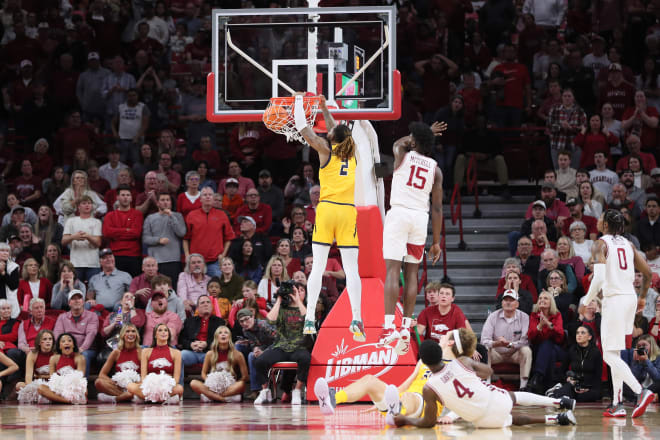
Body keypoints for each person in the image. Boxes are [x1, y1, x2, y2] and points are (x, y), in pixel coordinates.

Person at [392, 333, 576, 428]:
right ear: (440, 353)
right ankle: (561, 402)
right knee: (513, 396)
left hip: (483, 418)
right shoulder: (462, 361)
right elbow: (488, 370)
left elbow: (428, 422)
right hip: (494, 399)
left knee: (511, 420)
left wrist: (405, 420)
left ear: (423, 360)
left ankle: (556, 418)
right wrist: (473, 369)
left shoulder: (429, 388)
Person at [293, 94, 363, 341]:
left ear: (333, 138)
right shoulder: (351, 153)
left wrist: (299, 104)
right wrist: (323, 108)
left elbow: (303, 130)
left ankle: (310, 317)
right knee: (352, 269)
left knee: (318, 266)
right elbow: (337, 129)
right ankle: (357, 318)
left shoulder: (325, 150)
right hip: (347, 211)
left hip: (327, 209)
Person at [581, 209, 656, 417]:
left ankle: (641, 392)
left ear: (605, 225)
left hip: (614, 300)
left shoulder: (599, 244)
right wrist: (642, 297)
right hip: (630, 298)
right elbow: (649, 273)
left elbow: (598, 280)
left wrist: (585, 302)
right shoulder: (629, 244)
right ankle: (617, 404)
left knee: (608, 354)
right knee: (616, 353)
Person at [380, 122, 443, 354]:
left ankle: (389, 328)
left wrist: (423, 132)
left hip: (399, 213)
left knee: (392, 270)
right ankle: (406, 327)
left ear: (414, 142)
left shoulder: (401, 154)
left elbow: (401, 142)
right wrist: (436, 242)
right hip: (420, 218)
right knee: (413, 272)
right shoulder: (436, 169)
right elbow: (437, 208)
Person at [314, 356, 443, 420]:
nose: (441, 338)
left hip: (426, 405)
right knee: (369, 380)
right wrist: (389, 398)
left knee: (408, 396)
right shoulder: (423, 361)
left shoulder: (453, 366)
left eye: (444, 336)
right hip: (402, 401)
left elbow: (460, 396)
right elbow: (406, 384)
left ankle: (398, 412)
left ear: (450, 342)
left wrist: (451, 416)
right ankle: (331, 400)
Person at [253, 282, 310, 406]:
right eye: (295, 290)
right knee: (259, 361)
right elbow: (270, 320)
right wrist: (278, 299)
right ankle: (265, 391)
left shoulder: (307, 307)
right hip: (281, 347)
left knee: (305, 358)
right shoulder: (282, 307)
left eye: (300, 290)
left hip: (298, 347)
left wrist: (297, 301)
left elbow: (308, 320)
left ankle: (297, 391)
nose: (297, 292)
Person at [481, 290, 532, 390]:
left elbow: (525, 341)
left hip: (515, 353)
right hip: (497, 353)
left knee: (526, 350)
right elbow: (484, 340)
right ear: (502, 303)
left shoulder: (524, 317)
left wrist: (510, 344)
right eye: (505, 300)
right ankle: (486, 384)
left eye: (511, 300)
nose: (508, 302)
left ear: (517, 304)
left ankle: (523, 387)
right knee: (485, 349)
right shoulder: (493, 317)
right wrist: (496, 343)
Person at [184, 186, 235, 277]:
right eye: (205, 195)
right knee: (195, 289)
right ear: (200, 199)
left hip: (215, 261)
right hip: (195, 261)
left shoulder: (222, 215)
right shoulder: (191, 215)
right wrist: (187, 255)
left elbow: (229, 238)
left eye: (210, 195)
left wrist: (223, 255)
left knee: (216, 288)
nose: (208, 197)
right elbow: (185, 238)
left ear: (213, 198)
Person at [127, 323, 184, 404]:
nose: (163, 332)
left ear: (168, 334)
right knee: (130, 386)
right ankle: (163, 399)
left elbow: (176, 379)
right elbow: (143, 376)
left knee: (179, 388)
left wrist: (164, 385)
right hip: (150, 385)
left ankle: (147, 398)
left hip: (167, 387)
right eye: (160, 330)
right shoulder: (146, 351)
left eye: (165, 330)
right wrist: (151, 385)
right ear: (155, 335)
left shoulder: (176, 353)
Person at [190, 325, 248, 402]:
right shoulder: (210, 354)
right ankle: (224, 399)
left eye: (226, 332)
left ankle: (211, 397)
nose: (223, 334)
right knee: (193, 383)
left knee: (241, 385)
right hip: (213, 387)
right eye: (220, 333)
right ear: (216, 337)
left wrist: (233, 384)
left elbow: (245, 376)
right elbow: (203, 373)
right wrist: (210, 382)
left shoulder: (238, 354)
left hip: (229, 386)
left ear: (230, 337)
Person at [545, 325, 602, 402]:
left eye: (583, 333)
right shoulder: (572, 350)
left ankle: (558, 392)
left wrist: (588, 388)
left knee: (588, 396)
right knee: (571, 392)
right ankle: (556, 392)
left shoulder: (596, 352)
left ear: (589, 337)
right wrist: (567, 379)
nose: (579, 335)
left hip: (589, 387)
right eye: (577, 333)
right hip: (574, 385)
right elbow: (561, 371)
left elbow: (598, 376)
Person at [142, 192, 187, 284]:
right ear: (158, 203)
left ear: (171, 202)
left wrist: (171, 216)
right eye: (162, 200)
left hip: (174, 259)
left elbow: (181, 232)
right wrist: (158, 240)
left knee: (172, 287)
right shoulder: (150, 218)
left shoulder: (178, 216)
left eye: (167, 200)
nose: (165, 202)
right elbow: (145, 238)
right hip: (156, 261)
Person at [233, 307, 276, 400]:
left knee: (251, 356)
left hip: (275, 349)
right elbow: (254, 343)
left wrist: (264, 352)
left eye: (247, 319)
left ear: (252, 317)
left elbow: (279, 341)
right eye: (241, 321)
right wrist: (255, 348)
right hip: (262, 348)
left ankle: (257, 389)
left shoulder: (263, 325)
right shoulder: (245, 330)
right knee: (239, 348)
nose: (244, 323)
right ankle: (246, 384)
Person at [53, 289, 99, 376]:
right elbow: (58, 335)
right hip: (66, 348)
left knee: (83, 356)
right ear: (69, 302)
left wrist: (81, 348)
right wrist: (66, 349)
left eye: (79, 298)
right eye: (73, 299)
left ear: (83, 302)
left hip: (86, 349)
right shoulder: (62, 317)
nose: (77, 301)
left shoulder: (92, 316)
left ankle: (83, 385)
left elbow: (91, 334)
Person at [102, 186, 143, 277]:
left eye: (128, 195)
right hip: (116, 256)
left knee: (133, 286)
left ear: (131, 198)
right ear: (117, 197)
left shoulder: (137, 214)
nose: (125, 197)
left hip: (134, 256)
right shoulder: (110, 215)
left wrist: (117, 232)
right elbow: (107, 233)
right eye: (123, 195)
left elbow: (136, 233)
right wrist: (127, 230)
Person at [180, 295, 226, 377]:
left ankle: (215, 386)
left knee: (217, 356)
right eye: (202, 303)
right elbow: (182, 339)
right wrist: (191, 344)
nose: (206, 304)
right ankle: (178, 387)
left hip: (210, 352)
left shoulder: (220, 322)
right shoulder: (189, 321)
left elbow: (222, 340)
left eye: (208, 302)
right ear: (197, 308)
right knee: (180, 356)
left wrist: (206, 344)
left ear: (212, 306)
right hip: (192, 352)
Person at [95, 323, 142, 403]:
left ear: (136, 335)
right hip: (119, 386)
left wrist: (136, 384)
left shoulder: (141, 352)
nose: (131, 334)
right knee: (98, 382)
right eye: (127, 331)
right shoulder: (116, 352)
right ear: (123, 335)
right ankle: (128, 396)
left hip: (135, 385)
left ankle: (115, 399)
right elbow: (102, 374)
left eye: (133, 331)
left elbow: (145, 374)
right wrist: (114, 382)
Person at [61, 195, 103, 283]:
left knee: (93, 291)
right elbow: (63, 241)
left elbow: (98, 243)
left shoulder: (97, 222)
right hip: (75, 264)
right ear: (78, 207)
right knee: (75, 290)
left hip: (93, 264)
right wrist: (73, 237)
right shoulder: (71, 221)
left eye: (89, 203)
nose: (87, 205)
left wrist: (87, 236)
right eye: (84, 203)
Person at [37, 332, 87, 404]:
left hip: (73, 390)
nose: (67, 343)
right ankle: (68, 401)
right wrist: (60, 386)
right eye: (63, 341)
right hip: (59, 389)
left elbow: (80, 380)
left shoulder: (80, 358)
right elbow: (52, 379)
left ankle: (57, 399)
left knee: (85, 391)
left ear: (73, 345)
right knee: (41, 388)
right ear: (60, 346)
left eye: (69, 341)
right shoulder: (54, 358)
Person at [15, 329, 54, 403]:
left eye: (50, 339)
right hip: (37, 384)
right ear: (39, 342)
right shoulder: (32, 354)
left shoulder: (56, 354)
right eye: (45, 339)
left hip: (52, 385)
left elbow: (56, 376)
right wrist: (33, 387)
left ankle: (46, 397)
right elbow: (28, 378)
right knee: (19, 385)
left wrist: (40, 376)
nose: (48, 341)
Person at [620, 334, 660, 402]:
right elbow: (634, 378)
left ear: (652, 346)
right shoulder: (637, 356)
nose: (641, 348)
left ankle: (644, 397)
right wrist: (636, 362)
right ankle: (645, 397)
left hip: (653, 386)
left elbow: (657, 377)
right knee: (625, 384)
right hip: (641, 388)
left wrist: (646, 361)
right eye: (639, 346)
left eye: (644, 345)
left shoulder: (658, 357)